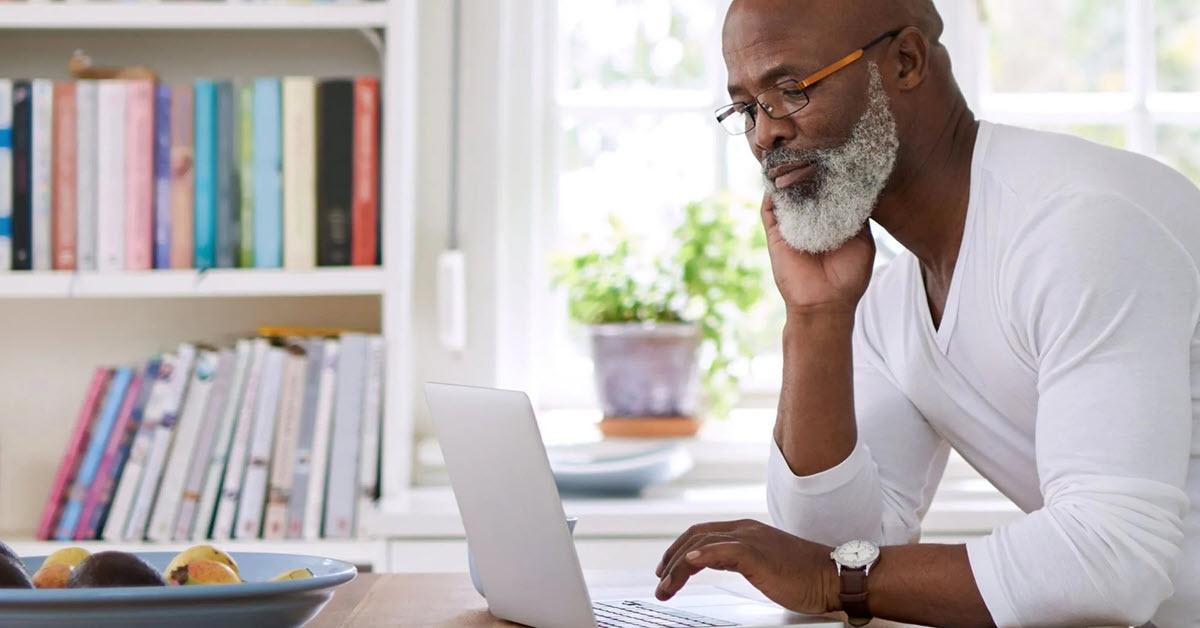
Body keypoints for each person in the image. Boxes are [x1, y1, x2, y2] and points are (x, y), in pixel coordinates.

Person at [652, 1, 1200, 626]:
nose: (764, 134)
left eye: (791, 90)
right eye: (746, 107)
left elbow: (1111, 563)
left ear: (906, 62)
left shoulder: (1080, 226)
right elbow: (838, 543)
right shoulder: (892, 292)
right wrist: (817, 317)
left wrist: (828, 577)